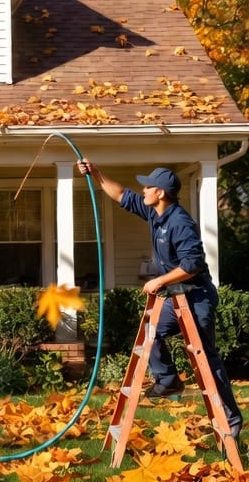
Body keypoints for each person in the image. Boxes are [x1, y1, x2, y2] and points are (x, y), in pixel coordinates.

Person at [77, 159, 242, 440]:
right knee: (150, 335)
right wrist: (96, 174)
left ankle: (231, 422)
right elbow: (121, 195)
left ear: (161, 193)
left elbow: (193, 264)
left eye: (148, 187)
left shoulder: (180, 223)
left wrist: (159, 280)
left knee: (206, 360)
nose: (143, 190)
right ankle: (168, 382)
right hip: (178, 295)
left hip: (197, 297)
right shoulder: (155, 212)